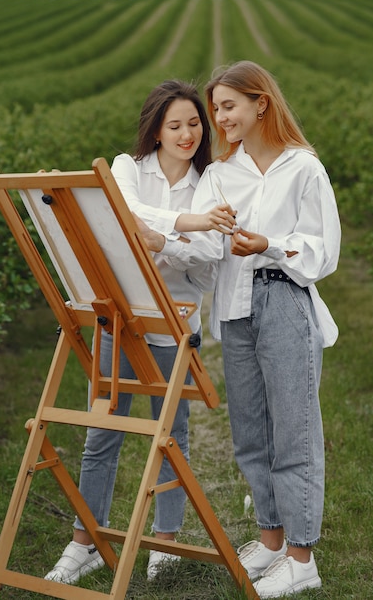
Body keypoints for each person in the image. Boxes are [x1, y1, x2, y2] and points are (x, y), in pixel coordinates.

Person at [139, 60, 341, 598]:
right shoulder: (222, 174)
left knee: (293, 432)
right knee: (250, 433)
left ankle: (302, 557)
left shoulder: (303, 168)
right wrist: (165, 242)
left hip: (284, 300)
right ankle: (271, 542)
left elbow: (324, 251)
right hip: (236, 307)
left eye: (228, 106)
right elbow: (207, 244)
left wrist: (268, 245)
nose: (219, 118)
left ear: (261, 104)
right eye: (216, 108)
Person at [45, 79, 220, 585]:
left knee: (172, 435)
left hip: (174, 326)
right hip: (118, 319)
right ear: (156, 130)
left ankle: (165, 542)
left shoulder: (210, 182)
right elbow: (123, 214)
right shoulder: (126, 168)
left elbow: (211, 263)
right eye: (175, 125)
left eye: (194, 124)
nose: (187, 134)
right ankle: (87, 541)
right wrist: (186, 228)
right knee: (103, 431)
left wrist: (160, 241)